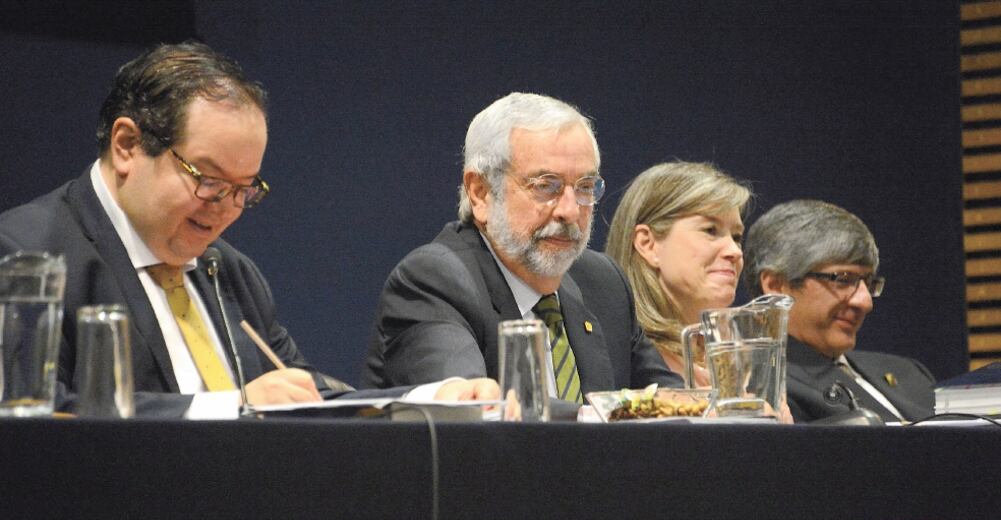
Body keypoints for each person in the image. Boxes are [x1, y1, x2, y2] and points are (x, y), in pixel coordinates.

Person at [0, 42, 495, 418]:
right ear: (127, 145)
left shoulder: (228, 270)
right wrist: (231, 406)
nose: (225, 210)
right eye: (208, 180)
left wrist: (427, 398)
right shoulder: (24, 257)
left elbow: (301, 392)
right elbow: (35, 413)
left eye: (244, 189)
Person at [362, 92, 681, 401]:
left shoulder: (603, 283)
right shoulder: (436, 280)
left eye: (585, 187)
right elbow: (469, 403)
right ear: (481, 193)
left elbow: (673, 403)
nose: (570, 211)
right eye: (546, 186)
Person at [742, 199, 934, 423]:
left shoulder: (909, 372)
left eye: (868, 283)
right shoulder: (763, 389)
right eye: (843, 279)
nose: (865, 302)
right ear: (776, 286)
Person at [605, 161, 750, 385]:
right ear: (648, 244)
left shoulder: (742, 355)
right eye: (711, 231)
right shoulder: (620, 358)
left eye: (737, 237)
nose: (735, 251)